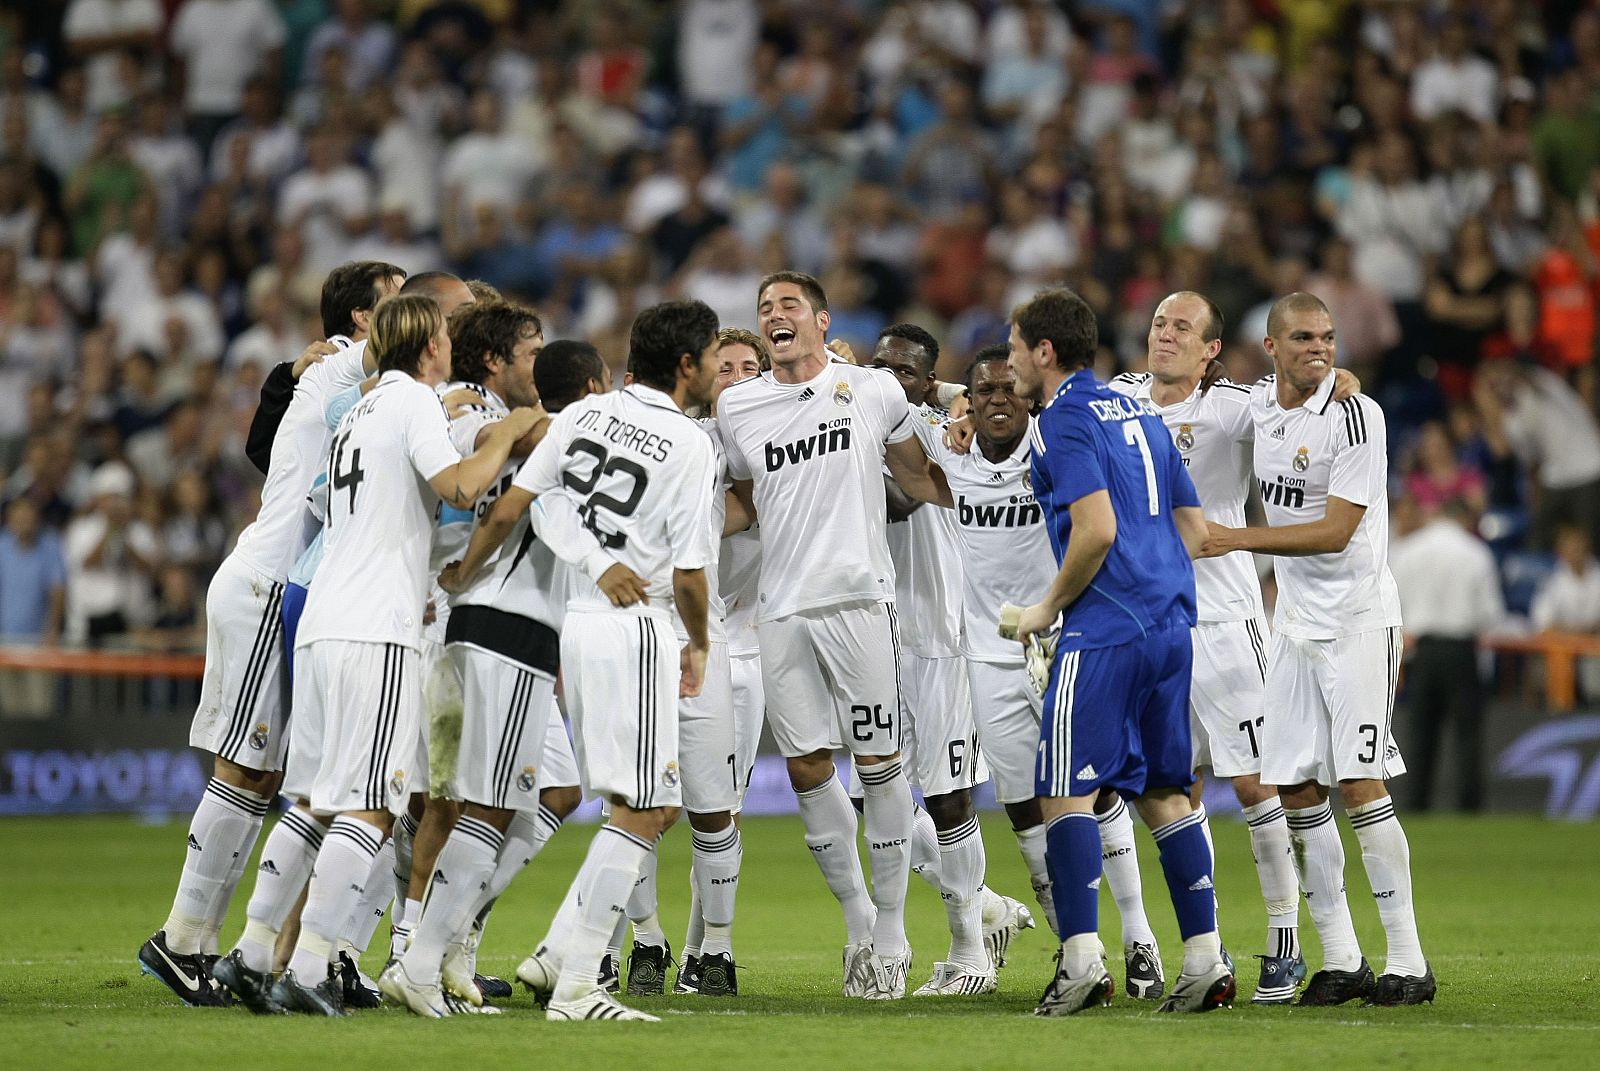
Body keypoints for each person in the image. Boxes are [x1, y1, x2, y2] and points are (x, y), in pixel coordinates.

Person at [264, 294, 539, 1016]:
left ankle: (259, 950)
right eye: (444, 334)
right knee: (373, 806)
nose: (450, 345)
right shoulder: (415, 401)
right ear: (427, 348)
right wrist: (506, 436)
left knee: (319, 796)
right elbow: (459, 487)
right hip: (376, 622)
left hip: (323, 616)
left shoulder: (358, 409)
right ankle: (314, 964)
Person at [450, 300, 720, 1023]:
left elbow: (521, 505)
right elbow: (691, 574)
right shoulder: (690, 443)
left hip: (578, 622)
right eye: (714, 356)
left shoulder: (579, 416)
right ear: (687, 364)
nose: (722, 368)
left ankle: (559, 956)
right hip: (639, 625)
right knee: (643, 807)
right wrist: (699, 640)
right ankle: (575, 983)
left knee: (645, 804)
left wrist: (465, 576)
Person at [717, 271, 953, 1000]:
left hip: (860, 600)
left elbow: (922, 475)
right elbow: (738, 501)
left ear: (822, 321)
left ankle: (892, 930)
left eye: (789, 306)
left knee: (880, 763)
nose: (774, 316)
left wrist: (974, 455)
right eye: (765, 309)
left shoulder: (873, 389)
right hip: (781, 609)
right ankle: (858, 925)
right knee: (808, 769)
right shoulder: (737, 407)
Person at [1200, 292, 1434, 1006]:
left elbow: (1335, 531)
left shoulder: (1357, 414)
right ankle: (1342, 957)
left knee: (1360, 782)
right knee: (1297, 785)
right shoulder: (1255, 408)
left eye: (1328, 337)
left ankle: (1408, 960)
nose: (1320, 349)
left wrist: (1233, 536)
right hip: (1296, 625)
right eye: (1303, 337)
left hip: (1359, 620)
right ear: (1270, 347)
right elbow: (1178, 402)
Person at [187, 262, 404, 1013]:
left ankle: (231, 947)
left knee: (275, 778)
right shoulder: (349, 377)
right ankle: (188, 941)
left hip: (289, 584)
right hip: (270, 580)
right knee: (249, 773)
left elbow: (267, 450)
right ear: (361, 323)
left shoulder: (338, 387)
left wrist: (283, 376)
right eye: (398, 303)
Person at [1006, 286, 1229, 1018]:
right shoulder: (1142, 413)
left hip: (1105, 627)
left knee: (1064, 788)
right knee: (1165, 790)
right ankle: (1204, 958)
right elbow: (1194, 530)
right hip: (1170, 625)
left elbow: (1094, 528)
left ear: (1044, 352)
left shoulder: (1061, 419)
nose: (1009, 362)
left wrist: (1048, 607)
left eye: (1013, 348)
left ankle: (1080, 962)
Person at [925, 344, 1166, 999]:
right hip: (988, 654)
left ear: (1029, 396)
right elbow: (903, 388)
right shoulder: (950, 447)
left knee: (1098, 789)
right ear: (970, 399)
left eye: (1011, 388)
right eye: (984, 391)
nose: (997, 400)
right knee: (1023, 806)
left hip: (1064, 640)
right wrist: (948, 395)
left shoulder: (1057, 446)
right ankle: (1078, 956)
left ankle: (1141, 937)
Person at [1107, 291, 1312, 1003]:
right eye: (1160, 322)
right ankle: (1207, 943)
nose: (1165, 334)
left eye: (1182, 328)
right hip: (1153, 624)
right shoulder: (1119, 399)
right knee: (1173, 787)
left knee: (1258, 783)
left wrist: (1334, 381)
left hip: (1226, 619)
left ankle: (1285, 944)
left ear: (1210, 350)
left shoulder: (1234, 408)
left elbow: (1297, 404)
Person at [870, 324, 1033, 997]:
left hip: (943, 638)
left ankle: (970, 953)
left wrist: (933, 400)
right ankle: (991, 910)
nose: (889, 379)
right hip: (881, 636)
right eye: (880, 367)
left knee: (946, 797)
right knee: (870, 794)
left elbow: (904, 496)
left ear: (932, 382)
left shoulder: (940, 430)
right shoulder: (865, 420)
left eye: (905, 371)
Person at [1389, 496, 1504, 812]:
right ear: (1466, 519)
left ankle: (1416, 803)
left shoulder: (1408, 550)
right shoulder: (1476, 553)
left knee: (1421, 730)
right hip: (1460, 649)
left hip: (1421, 651)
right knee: (1467, 731)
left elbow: (1392, 604)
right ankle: (1469, 806)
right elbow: (1489, 613)